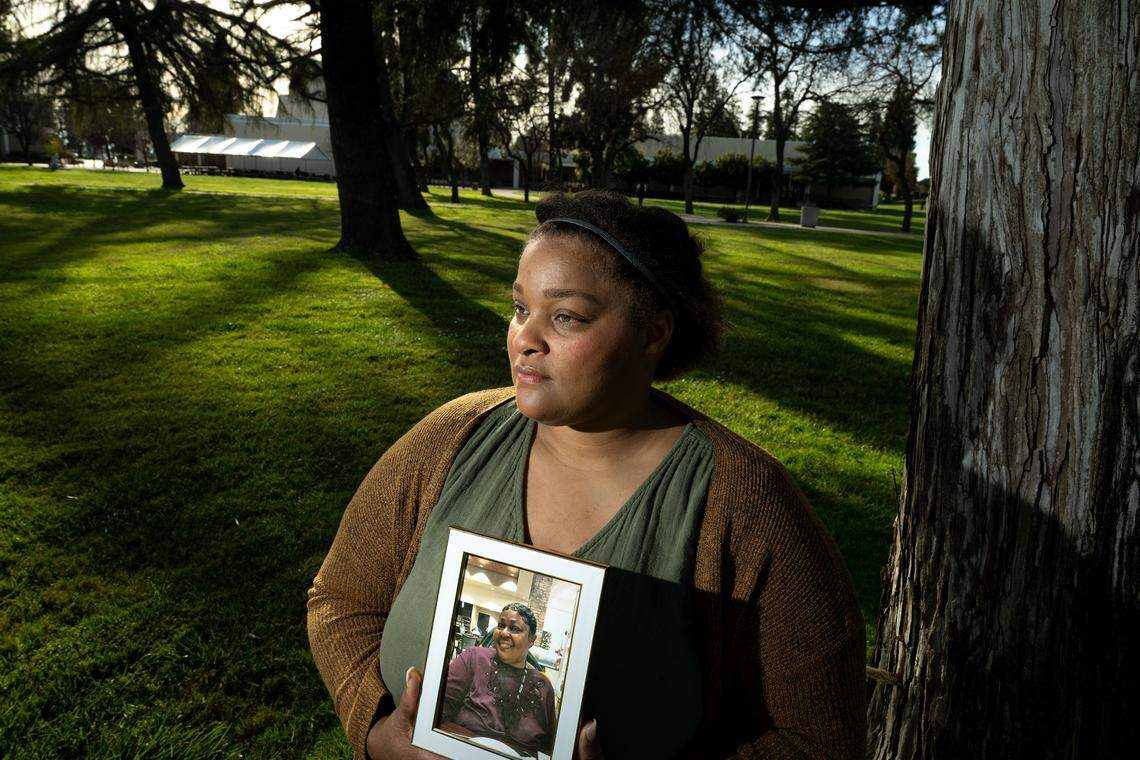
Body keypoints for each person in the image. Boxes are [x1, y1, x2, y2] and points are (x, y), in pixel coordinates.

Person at [307, 190, 867, 760]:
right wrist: (379, 732)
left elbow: (819, 739)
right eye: (520, 308)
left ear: (653, 333)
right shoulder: (450, 438)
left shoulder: (746, 503)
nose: (526, 338)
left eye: (566, 317)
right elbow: (342, 599)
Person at [440, 603, 557, 757]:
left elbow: (550, 748)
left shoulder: (543, 686)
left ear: (531, 640)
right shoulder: (473, 658)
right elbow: (438, 713)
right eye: (501, 626)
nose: (504, 633)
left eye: (515, 629)